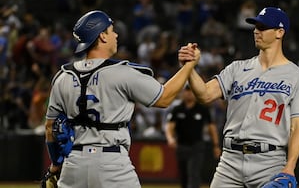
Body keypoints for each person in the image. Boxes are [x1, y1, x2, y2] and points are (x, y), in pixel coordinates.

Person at [43, 10, 200, 188]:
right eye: (111, 30)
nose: (116, 35)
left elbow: (50, 129)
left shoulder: (62, 77)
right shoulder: (122, 72)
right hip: (111, 163)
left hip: (73, 165)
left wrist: (55, 166)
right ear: (102, 36)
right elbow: (164, 98)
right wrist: (189, 66)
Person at [178, 7, 299, 187]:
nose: (256, 31)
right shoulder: (237, 68)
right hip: (229, 160)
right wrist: (189, 68)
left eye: (263, 27)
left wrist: (290, 167)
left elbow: (298, 127)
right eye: (255, 26)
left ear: (279, 32)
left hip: (270, 161)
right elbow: (204, 95)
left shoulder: (297, 76)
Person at [165, 85, 221, 188]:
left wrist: (216, 145)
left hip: (197, 146)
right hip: (181, 146)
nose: (189, 93)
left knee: (193, 173)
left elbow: (211, 128)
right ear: (183, 93)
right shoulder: (178, 109)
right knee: (184, 176)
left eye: (191, 91)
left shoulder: (202, 109)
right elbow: (170, 126)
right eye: (187, 91)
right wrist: (170, 138)